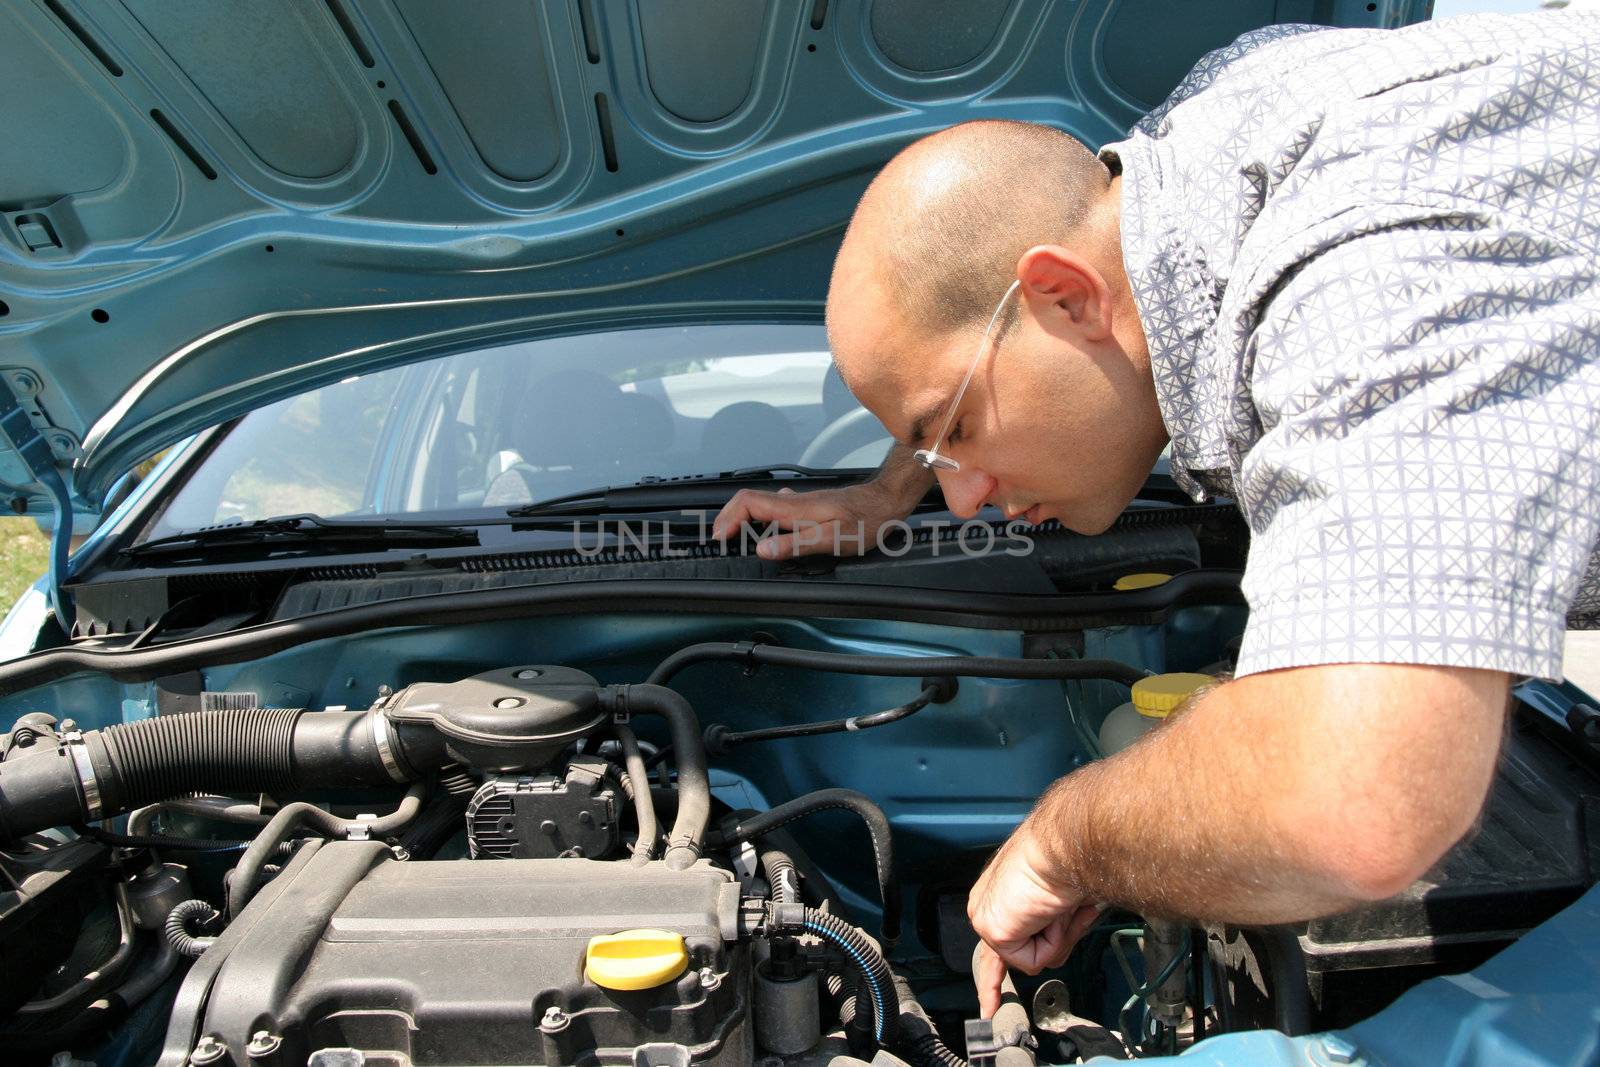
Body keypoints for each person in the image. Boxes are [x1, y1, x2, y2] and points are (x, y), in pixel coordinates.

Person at [710, 13, 1600, 1017]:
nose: (967, 498)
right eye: (934, 451)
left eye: (953, 429)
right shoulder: (1208, 135)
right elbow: (988, 290)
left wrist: (1066, 836)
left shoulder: (1371, 276)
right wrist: (887, 490)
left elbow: (1357, 799)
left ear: (1067, 297)